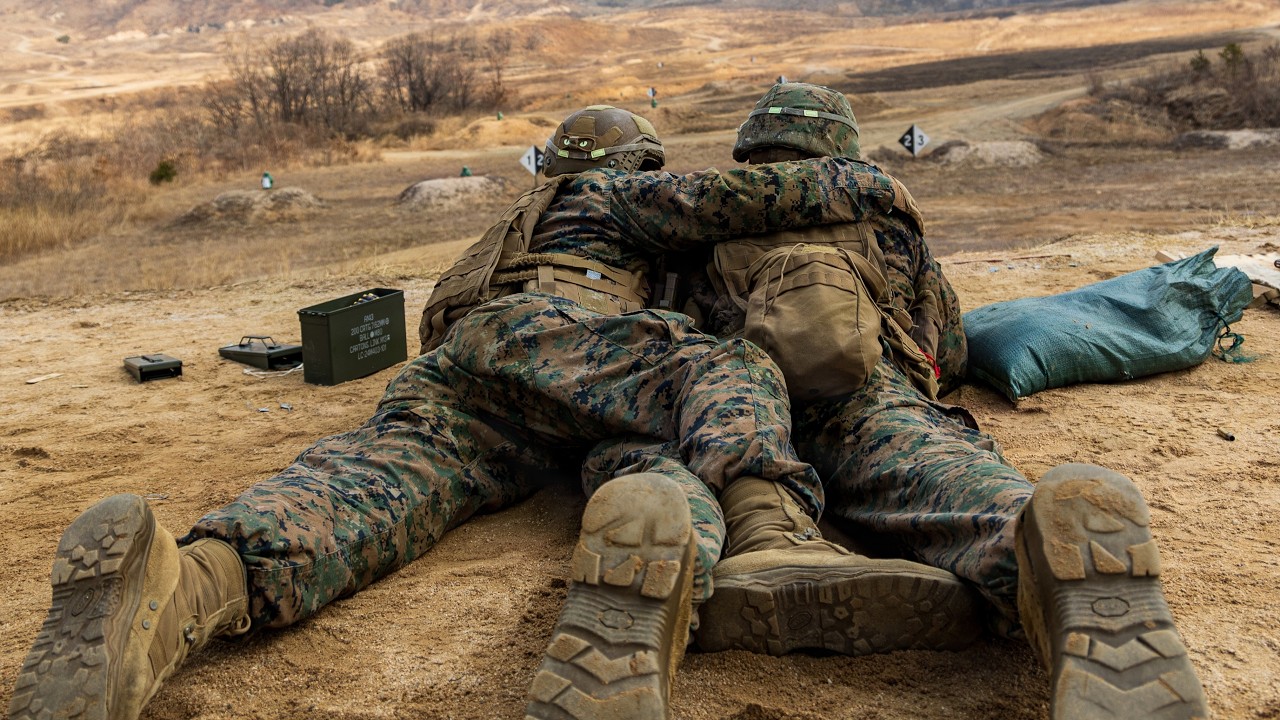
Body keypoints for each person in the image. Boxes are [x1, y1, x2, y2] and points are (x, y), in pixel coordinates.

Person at [6, 106, 970, 720]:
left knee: (371, 482)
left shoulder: (493, 233)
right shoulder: (608, 193)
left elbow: (454, 338)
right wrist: (874, 183)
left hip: (474, 377)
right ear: (628, 163)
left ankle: (185, 588)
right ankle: (765, 536)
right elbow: (751, 195)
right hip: (557, 341)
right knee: (719, 367)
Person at [667, 82, 1208, 719]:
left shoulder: (704, 218)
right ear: (842, 144)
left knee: (701, 487)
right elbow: (946, 349)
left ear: (751, 144)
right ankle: (1031, 543)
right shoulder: (883, 219)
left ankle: (752, 549)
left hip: (740, 411)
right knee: (949, 481)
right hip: (868, 400)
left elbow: (667, 334)